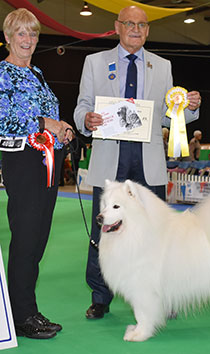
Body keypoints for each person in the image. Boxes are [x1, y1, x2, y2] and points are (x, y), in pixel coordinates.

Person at [74, 5, 201, 320]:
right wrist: (86, 120)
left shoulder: (163, 66)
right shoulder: (95, 62)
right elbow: (82, 107)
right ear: (117, 27)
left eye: (142, 25)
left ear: (148, 30)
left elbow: (170, 116)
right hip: (109, 163)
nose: (136, 29)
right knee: (104, 234)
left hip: (149, 162)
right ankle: (100, 297)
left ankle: (160, 295)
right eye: (129, 23)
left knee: (158, 234)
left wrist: (191, 108)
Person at [0, 9, 73, 339]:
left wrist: (63, 130)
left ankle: (27, 309)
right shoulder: (2, 74)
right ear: (8, 38)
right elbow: (4, 120)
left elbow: (50, 115)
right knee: (26, 239)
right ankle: (21, 315)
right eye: (21, 34)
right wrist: (45, 125)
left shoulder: (38, 74)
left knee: (38, 240)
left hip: (48, 162)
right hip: (23, 163)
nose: (27, 40)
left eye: (32, 35)